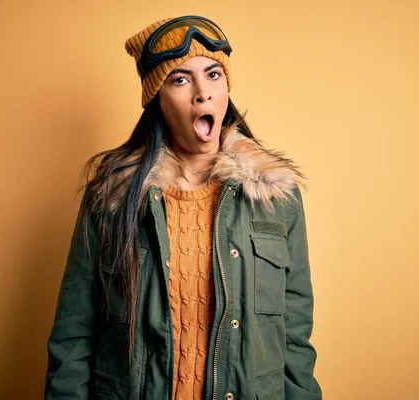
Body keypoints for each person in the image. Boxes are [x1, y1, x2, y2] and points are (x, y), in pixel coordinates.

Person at [45, 15, 322, 400]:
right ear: (156, 98)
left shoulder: (275, 198)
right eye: (180, 79)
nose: (202, 93)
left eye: (213, 75)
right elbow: (73, 336)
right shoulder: (112, 199)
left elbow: (294, 342)